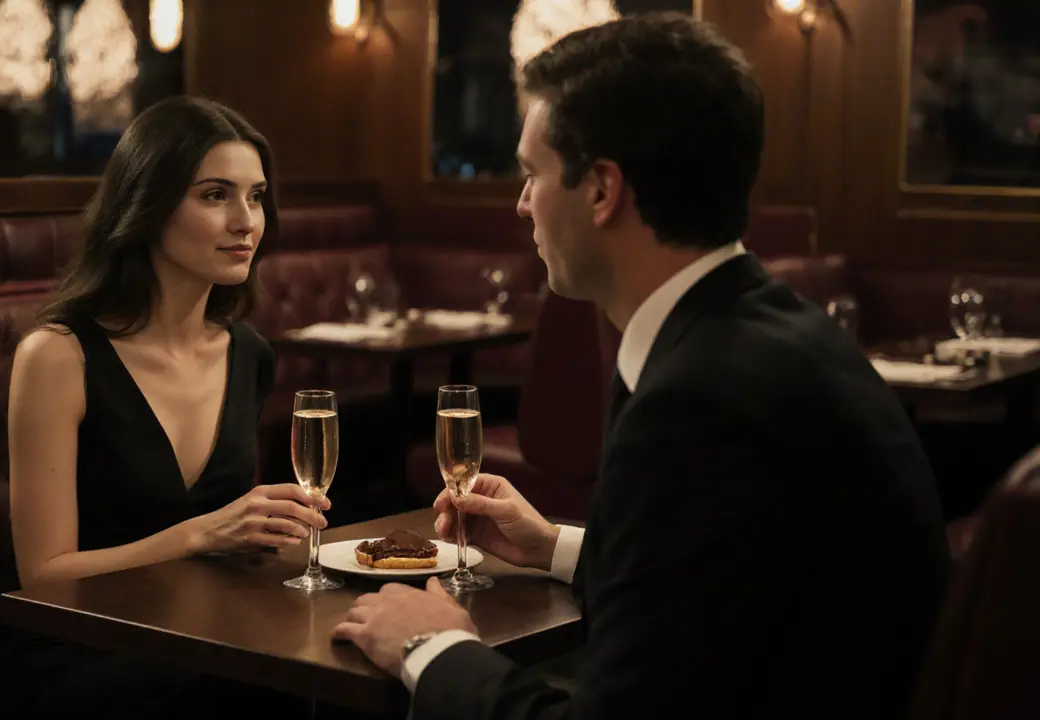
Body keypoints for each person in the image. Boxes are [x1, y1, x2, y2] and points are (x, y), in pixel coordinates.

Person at [332, 14, 952, 719]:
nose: (522, 202)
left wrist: (432, 648)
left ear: (602, 190)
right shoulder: (768, 330)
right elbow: (724, 584)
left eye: (534, 173)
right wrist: (556, 547)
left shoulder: (699, 399)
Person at [0, 96, 329, 718]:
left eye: (256, 195)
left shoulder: (249, 353)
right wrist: (199, 535)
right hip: (67, 643)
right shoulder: (58, 356)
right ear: (147, 207)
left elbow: (233, 541)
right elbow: (46, 573)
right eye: (215, 195)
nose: (246, 221)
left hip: (192, 631)